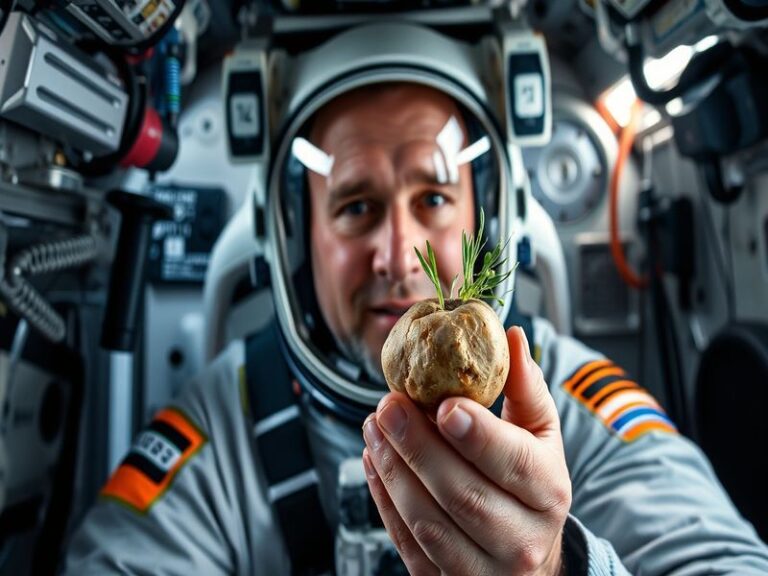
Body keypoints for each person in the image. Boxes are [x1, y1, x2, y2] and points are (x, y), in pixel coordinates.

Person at [63, 22, 768, 575]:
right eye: (356, 206)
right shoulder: (223, 423)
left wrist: (564, 569)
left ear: (489, 217)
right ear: (294, 235)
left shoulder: (572, 404)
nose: (398, 255)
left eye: (433, 197)